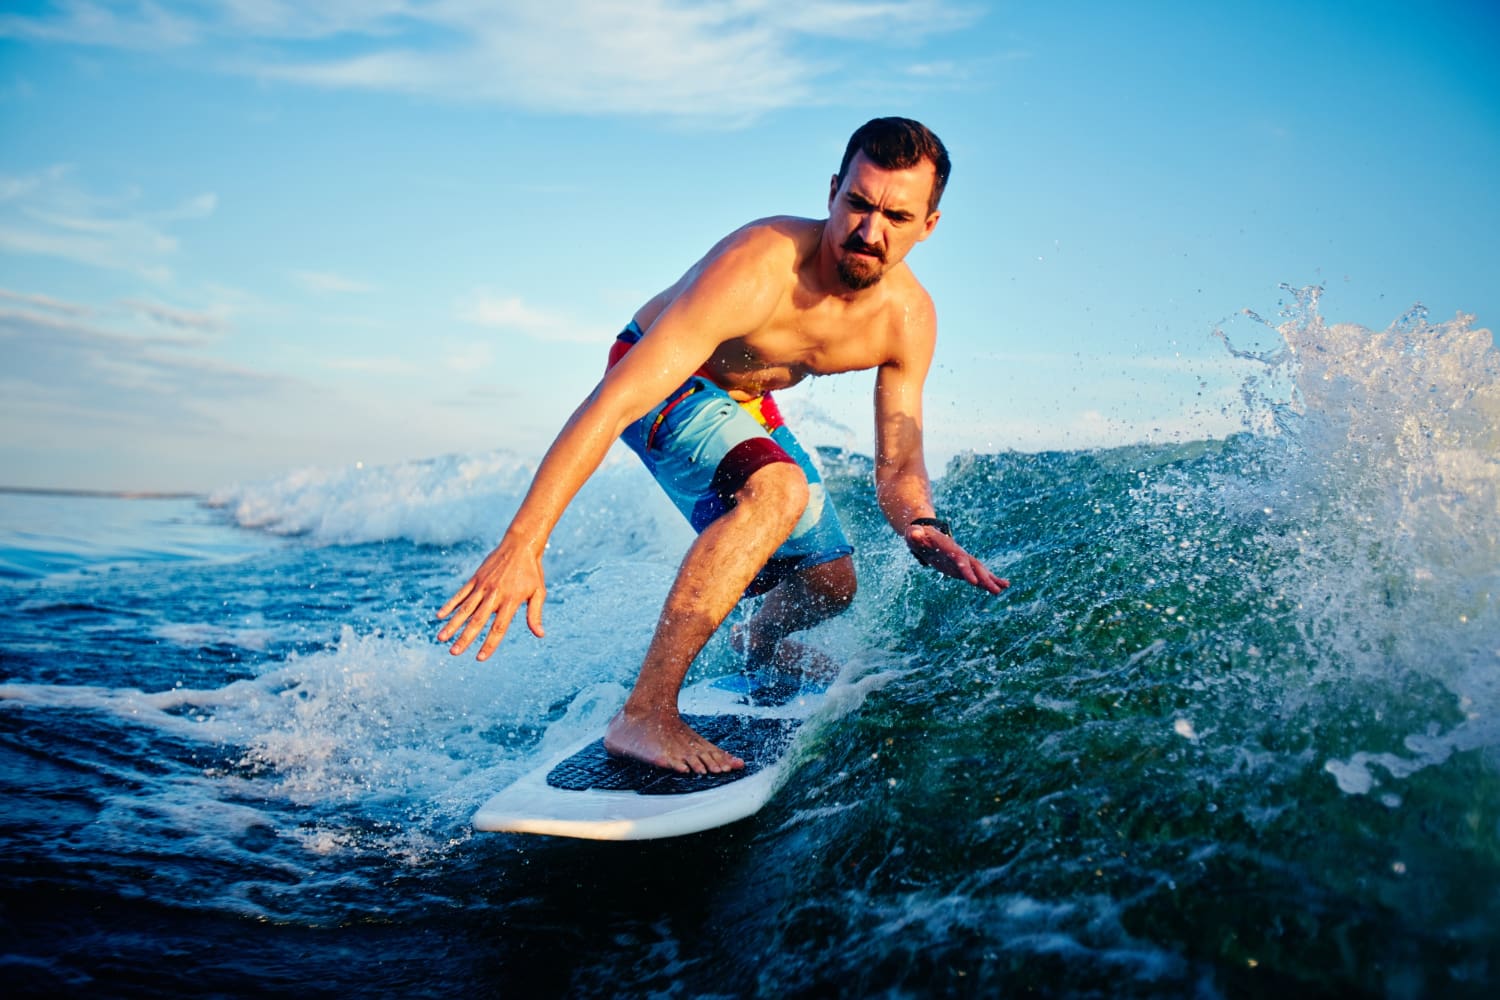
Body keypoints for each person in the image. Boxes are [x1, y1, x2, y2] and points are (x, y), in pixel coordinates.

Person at [438, 117, 1008, 775]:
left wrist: (920, 524)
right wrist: (524, 542)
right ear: (833, 192)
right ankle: (644, 715)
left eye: (896, 216)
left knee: (831, 581)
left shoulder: (908, 319)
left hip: (742, 398)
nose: (869, 231)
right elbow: (614, 399)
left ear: (928, 225)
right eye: (858, 203)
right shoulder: (758, 267)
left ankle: (758, 641)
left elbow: (900, 462)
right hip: (659, 377)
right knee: (777, 490)